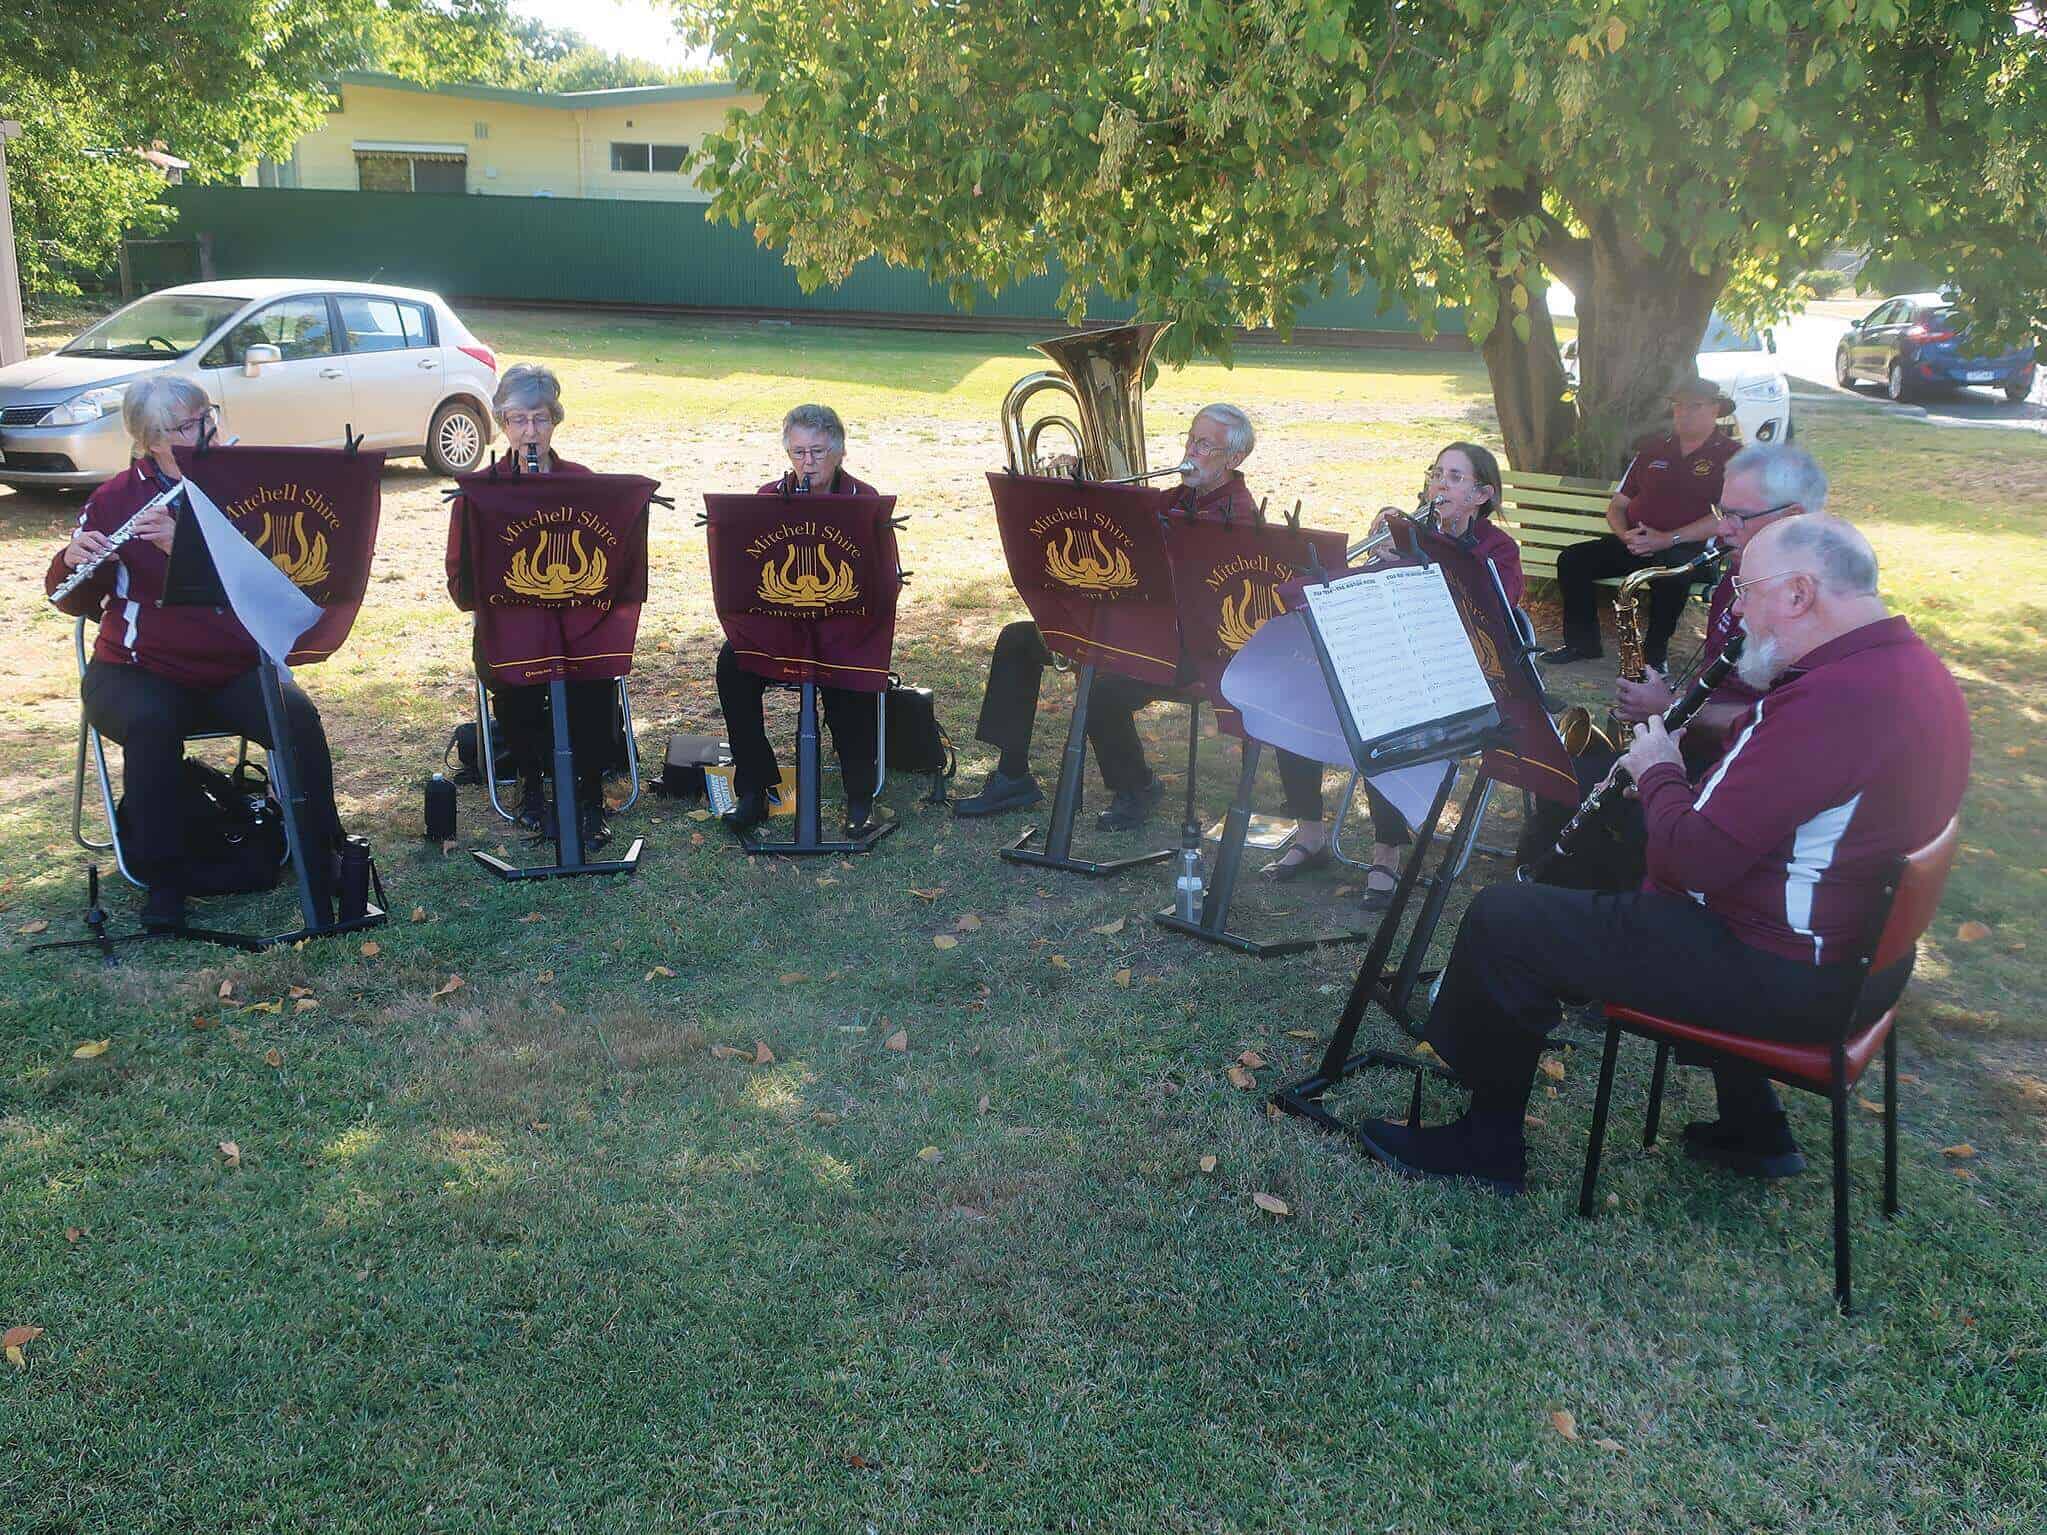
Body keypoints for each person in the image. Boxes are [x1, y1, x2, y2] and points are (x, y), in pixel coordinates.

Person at [1357, 513, 1971, 1196]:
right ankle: (1754, 1126)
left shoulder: (1831, 700)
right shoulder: (1909, 669)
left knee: (1506, 919)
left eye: (1746, 590)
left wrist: (1656, 768)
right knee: (1610, 881)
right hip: (1856, 961)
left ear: (1800, 592)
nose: (1735, 609)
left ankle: (1486, 1143)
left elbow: (1692, 864)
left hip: (1789, 978)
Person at [45, 375, 346, 932]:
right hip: (137, 668)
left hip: (232, 663)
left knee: (296, 718)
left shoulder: (240, 486)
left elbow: (270, 575)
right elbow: (76, 601)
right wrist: (72, 559)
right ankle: (165, 882)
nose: (204, 431)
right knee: (153, 726)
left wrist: (181, 546)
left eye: (206, 416)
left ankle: (323, 851)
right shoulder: (117, 497)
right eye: (186, 426)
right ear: (150, 439)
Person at [1525, 442, 1825, 889]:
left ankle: (1586, 903)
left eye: (1738, 517)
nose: (1722, 530)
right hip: (1693, 749)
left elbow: (1778, 735)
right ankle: (1543, 888)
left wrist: (1669, 709)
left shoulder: (1815, 612)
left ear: (1793, 516)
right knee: (1560, 778)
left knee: (1597, 805)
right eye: (1721, 512)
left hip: (1729, 791)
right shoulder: (1738, 574)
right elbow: (1723, 678)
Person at [952, 403, 1261, 832]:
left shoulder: (1239, 517)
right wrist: (1077, 494)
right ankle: (1012, 776)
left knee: (1101, 684)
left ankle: (1136, 786)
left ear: (1235, 459)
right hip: (1128, 631)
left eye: (1204, 445)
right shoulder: (1175, 497)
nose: (1190, 449)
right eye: (1191, 438)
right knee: (1018, 641)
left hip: (1187, 648)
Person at [1264, 441, 1523, 909]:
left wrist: (1418, 562)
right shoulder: (1410, 532)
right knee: (1297, 701)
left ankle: (1387, 854)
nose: (1440, 483)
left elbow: (1489, 615)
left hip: (1453, 674)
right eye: (1436, 473)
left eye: (1455, 477)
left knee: (1386, 719)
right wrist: (1380, 562)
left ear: (1481, 494)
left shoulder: (1497, 549)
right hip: (1393, 655)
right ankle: (1311, 834)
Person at [446, 364, 627, 849]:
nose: (530, 431)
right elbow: (460, 586)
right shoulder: (479, 492)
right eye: (519, 420)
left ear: (555, 421)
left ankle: (588, 796)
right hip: (511, 629)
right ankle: (531, 787)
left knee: (592, 673)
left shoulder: (585, 483)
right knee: (513, 675)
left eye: (541, 419)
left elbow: (613, 567)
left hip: (581, 627)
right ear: (503, 424)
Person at [717, 404, 883, 835]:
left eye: (818, 452)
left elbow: (883, 581)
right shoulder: (768, 497)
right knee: (732, 662)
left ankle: (860, 797)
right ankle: (755, 786)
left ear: (840, 452)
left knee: (855, 671)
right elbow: (748, 574)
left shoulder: (864, 501)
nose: (807, 464)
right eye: (798, 453)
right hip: (781, 626)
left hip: (844, 625)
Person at [1541, 373, 1739, 670]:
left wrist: (1667, 538)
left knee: (1672, 571)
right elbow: (1617, 506)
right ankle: (1582, 644)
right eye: (1678, 405)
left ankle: (1653, 658)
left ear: (1715, 409)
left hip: (1692, 551)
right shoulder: (1653, 450)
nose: (1684, 413)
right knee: (1573, 559)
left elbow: (1726, 516)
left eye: (1694, 406)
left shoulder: (1733, 457)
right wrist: (1626, 537)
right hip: (1638, 542)